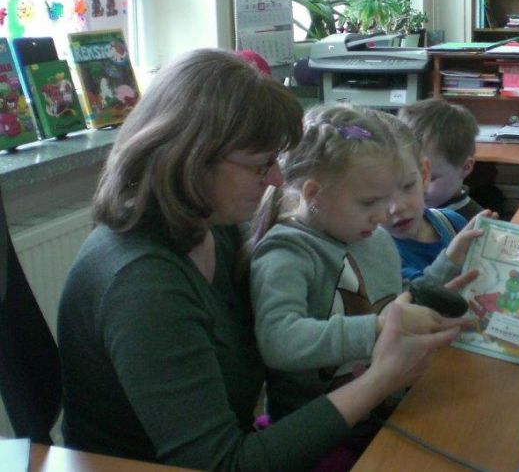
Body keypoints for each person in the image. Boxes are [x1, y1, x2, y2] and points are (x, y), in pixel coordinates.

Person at [57, 49, 460, 471]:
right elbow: (225, 465)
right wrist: (380, 380)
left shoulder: (213, 226)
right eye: (260, 165)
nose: (276, 179)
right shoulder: (142, 285)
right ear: (194, 157)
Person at [248, 105, 480, 432]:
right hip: (321, 431)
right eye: (369, 203)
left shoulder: (372, 237)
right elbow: (279, 340)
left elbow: (390, 299)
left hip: (387, 410)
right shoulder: (287, 252)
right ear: (314, 194)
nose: (384, 215)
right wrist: (379, 328)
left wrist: (435, 285)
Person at [378, 107, 495, 280]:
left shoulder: (453, 221)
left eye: (408, 186)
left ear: (424, 174)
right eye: (378, 197)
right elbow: (416, 294)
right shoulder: (379, 254)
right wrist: (450, 261)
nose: (397, 208)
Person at [398, 97, 485, 220]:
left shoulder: (476, 223)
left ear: (465, 168)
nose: (417, 188)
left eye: (431, 178)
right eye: (408, 179)